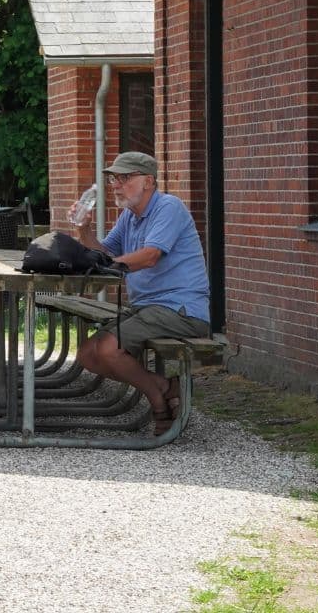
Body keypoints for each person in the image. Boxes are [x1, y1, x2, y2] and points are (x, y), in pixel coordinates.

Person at [69, 151, 211, 435]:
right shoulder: (129, 217)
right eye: (113, 180)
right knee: (87, 354)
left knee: (109, 349)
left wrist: (107, 263)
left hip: (181, 309)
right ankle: (164, 387)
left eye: (124, 178)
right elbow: (105, 254)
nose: (116, 186)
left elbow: (149, 257)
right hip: (148, 308)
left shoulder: (168, 207)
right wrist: (83, 231)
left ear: (148, 181)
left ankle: (158, 402)